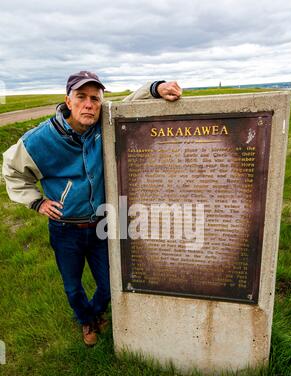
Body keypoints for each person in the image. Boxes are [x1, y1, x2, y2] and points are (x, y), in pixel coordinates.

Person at [2, 71, 182, 346]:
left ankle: (95, 313)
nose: (89, 104)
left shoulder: (104, 123)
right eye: (82, 97)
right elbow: (12, 170)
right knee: (73, 287)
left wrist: (157, 88)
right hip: (66, 229)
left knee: (110, 284)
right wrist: (36, 201)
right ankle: (87, 321)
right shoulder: (39, 140)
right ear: (68, 101)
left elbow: (131, 101)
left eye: (95, 98)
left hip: (102, 223)